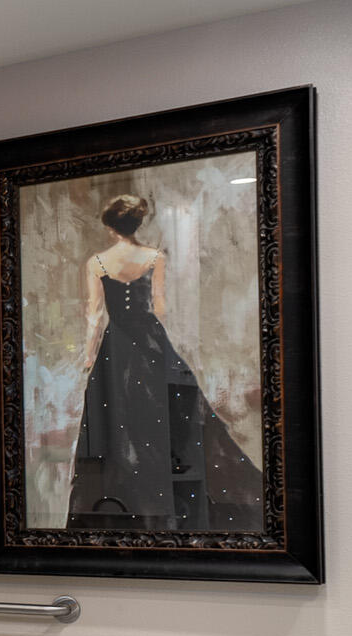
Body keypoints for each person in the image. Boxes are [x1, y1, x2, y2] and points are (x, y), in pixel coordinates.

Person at [66, 194, 261, 531]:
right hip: (151, 342)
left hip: (117, 347)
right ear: (136, 224)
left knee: (118, 424)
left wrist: (88, 356)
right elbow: (161, 308)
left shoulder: (97, 262)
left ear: (111, 228)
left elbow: (94, 316)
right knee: (159, 417)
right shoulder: (154, 257)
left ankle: (124, 504)